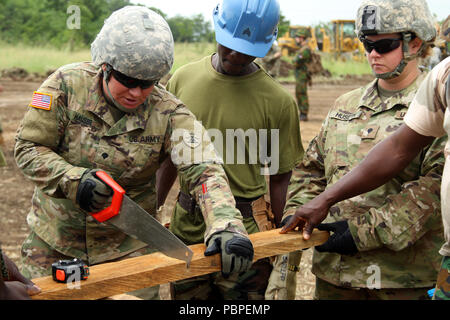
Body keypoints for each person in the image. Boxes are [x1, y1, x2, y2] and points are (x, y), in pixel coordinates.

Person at [14, 6, 252, 299]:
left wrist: (226, 225)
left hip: (129, 254)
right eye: (127, 80)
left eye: (147, 83)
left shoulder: (170, 112)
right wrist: (72, 179)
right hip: (53, 246)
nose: (137, 93)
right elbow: (28, 148)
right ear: (105, 66)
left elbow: (204, 170)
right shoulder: (65, 86)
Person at [281, 0, 445, 300]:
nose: (372, 54)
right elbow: (311, 168)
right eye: (366, 44)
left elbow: (433, 191)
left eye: (383, 45)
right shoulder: (345, 105)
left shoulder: (435, 108)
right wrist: (298, 212)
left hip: (401, 280)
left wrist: (361, 233)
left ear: (415, 43)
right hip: (334, 275)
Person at [157, 0, 303, 300]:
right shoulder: (183, 80)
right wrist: (152, 207)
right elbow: (170, 158)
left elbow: (279, 178)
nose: (235, 56)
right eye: (229, 46)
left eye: (246, 49)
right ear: (218, 30)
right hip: (189, 227)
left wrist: (278, 242)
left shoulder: (277, 101)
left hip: (245, 230)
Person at [293, 29, 312, 121]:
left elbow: (296, 62)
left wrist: (294, 61)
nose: (295, 39)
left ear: (301, 38)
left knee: (301, 93)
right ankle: (302, 112)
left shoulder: (305, 50)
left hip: (302, 75)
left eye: (297, 37)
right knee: (299, 93)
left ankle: (304, 113)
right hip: (300, 75)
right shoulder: (302, 49)